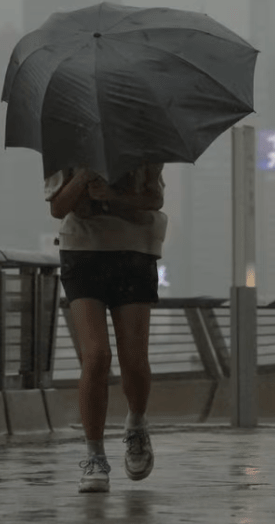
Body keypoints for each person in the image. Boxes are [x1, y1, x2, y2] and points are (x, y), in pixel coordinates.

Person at [44, 163, 167, 493]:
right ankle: (94, 457)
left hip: (135, 252)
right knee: (96, 356)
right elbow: (58, 207)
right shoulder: (64, 146)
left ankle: (136, 423)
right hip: (81, 251)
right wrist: (83, 176)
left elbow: (154, 199)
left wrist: (113, 196)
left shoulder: (141, 145)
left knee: (134, 361)